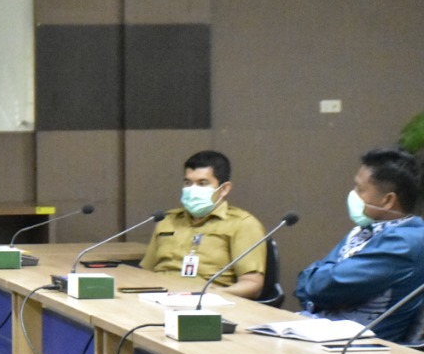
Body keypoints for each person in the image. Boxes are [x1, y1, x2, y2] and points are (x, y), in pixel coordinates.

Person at [295, 147, 424, 343]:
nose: (352, 195)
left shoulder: (405, 242)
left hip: (360, 348)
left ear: (387, 200)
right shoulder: (366, 229)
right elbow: (307, 285)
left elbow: (325, 286)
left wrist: (318, 285)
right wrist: (317, 285)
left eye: (360, 189)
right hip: (322, 333)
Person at [140, 150, 267, 298]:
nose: (192, 190)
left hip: (208, 302)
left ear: (224, 189)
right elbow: (146, 271)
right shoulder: (167, 220)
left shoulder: (242, 224)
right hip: (158, 296)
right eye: (188, 183)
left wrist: (214, 294)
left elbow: (252, 284)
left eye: (202, 183)